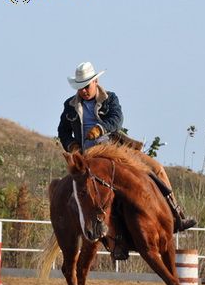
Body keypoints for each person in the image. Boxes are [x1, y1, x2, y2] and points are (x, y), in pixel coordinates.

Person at [58, 62, 197, 259]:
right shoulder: (69, 106)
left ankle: (176, 213)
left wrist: (100, 128)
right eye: (80, 87)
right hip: (90, 156)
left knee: (156, 168)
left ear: (95, 82)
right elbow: (63, 131)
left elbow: (117, 119)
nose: (83, 91)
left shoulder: (110, 98)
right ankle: (116, 242)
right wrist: (72, 146)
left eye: (86, 86)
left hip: (114, 149)